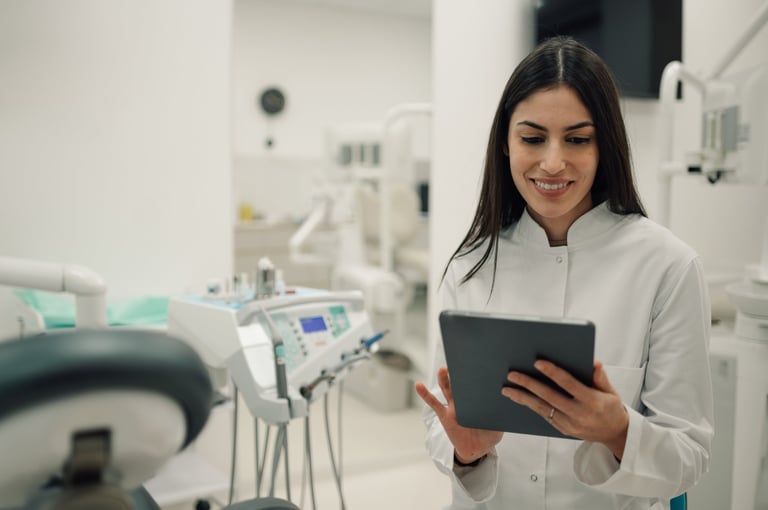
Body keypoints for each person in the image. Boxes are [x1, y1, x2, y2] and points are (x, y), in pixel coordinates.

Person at [414, 36, 714, 510]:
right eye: (532, 138)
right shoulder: (471, 266)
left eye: (577, 139)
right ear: (506, 146)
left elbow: (690, 456)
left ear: (605, 146)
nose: (553, 162)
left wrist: (618, 431)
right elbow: (442, 419)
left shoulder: (668, 267)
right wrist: (463, 452)